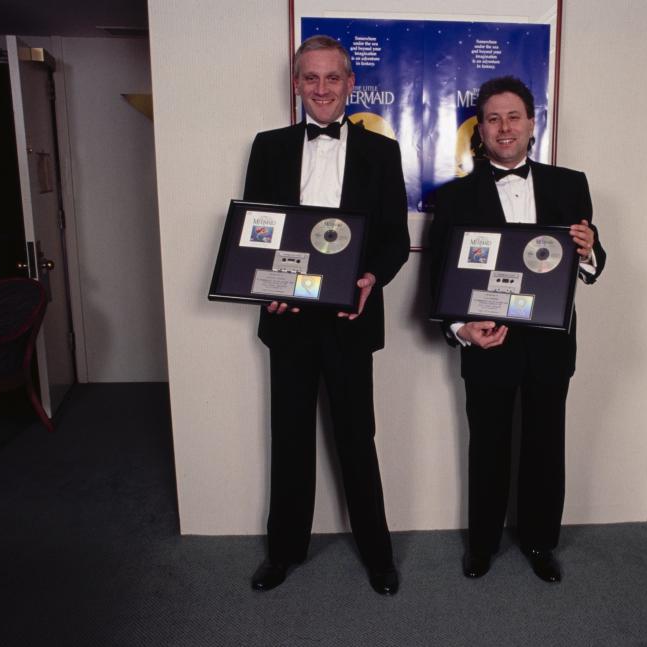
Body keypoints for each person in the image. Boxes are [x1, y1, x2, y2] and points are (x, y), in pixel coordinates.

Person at [243, 35, 409, 595]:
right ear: (296, 84)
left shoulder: (382, 152)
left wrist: (372, 278)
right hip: (287, 317)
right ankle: (283, 553)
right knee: (289, 436)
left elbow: (394, 239)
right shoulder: (268, 146)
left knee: (356, 437)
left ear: (349, 84)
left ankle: (379, 556)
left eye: (332, 78)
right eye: (310, 78)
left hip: (349, 318)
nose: (321, 89)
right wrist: (266, 283)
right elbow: (256, 233)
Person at [428, 76, 606, 583]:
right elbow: (439, 278)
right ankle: (481, 546)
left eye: (513, 117)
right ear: (479, 131)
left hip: (551, 344)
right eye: (492, 118)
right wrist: (463, 330)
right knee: (487, 446)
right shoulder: (455, 197)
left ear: (532, 123)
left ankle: (539, 542)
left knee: (546, 446)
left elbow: (590, 266)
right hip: (489, 345)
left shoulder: (571, 184)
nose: (504, 127)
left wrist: (590, 249)